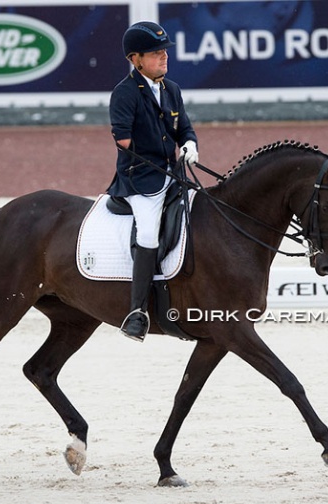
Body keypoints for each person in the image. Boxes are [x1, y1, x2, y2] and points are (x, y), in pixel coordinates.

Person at [107, 21, 199, 342]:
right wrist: (158, 160)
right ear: (136, 60)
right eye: (155, 53)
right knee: (147, 233)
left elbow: (183, 128)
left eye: (164, 51)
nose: (163, 57)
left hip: (172, 175)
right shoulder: (125, 93)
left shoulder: (171, 89)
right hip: (140, 180)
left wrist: (189, 144)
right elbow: (123, 140)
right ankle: (137, 311)